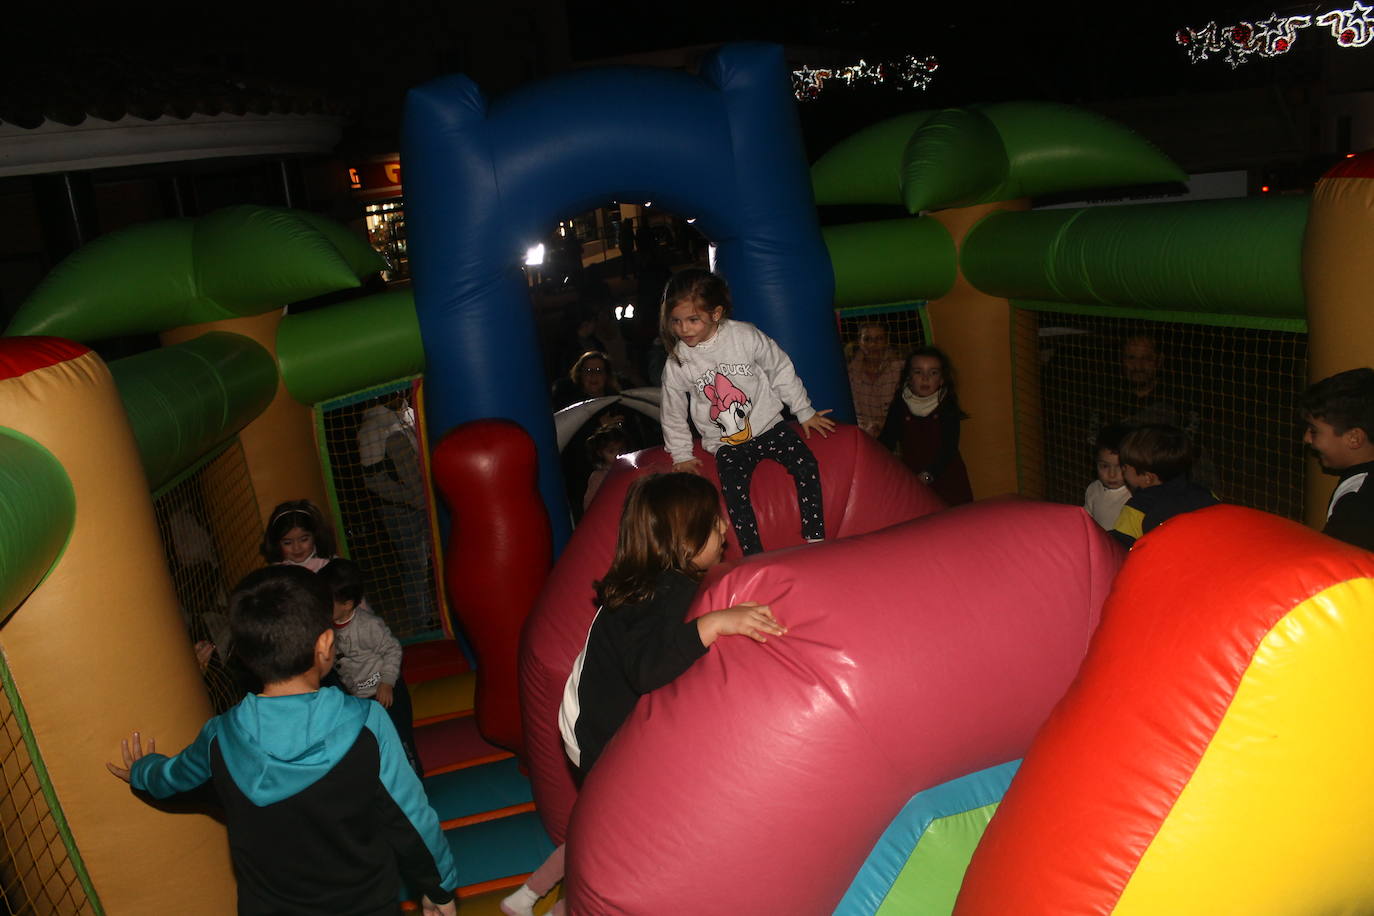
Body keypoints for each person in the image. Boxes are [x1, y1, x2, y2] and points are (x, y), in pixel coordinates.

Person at [501, 473, 785, 916]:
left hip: (594, 727)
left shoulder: (649, 584)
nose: (725, 529)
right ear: (682, 537)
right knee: (622, 843)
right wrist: (714, 625)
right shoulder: (664, 590)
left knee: (607, 836)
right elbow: (648, 668)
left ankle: (551, 899)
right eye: (713, 522)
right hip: (598, 737)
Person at [106, 566, 458, 916]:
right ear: (325, 644)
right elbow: (412, 819)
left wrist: (142, 771)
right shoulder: (367, 725)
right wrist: (439, 888)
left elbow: (172, 779)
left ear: (244, 655)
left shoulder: (220, 737)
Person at [659, 268, 835, 555]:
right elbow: (672, 408)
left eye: (693, 320)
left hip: (768, 426)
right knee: (734, 494)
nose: (684, 329)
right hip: (727, 443)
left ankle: (815, 536)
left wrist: (803, 410)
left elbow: (779, 369)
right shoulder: (679, 361)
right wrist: (681, 454)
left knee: (806, 464)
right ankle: (754, 553)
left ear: (715, 314)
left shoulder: (744, 336)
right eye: (676, 321)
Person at [318, 558, 421, 775]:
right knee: (375, 744)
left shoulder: (367, 626)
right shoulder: (328, 626)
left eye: (326, 601)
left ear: (347, 604)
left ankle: (414, 777)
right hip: (360, 697)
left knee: (400, 740)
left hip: (386, 694)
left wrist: (387, 682)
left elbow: (393, 649)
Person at [356, 392, 437, 628]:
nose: (400, 394)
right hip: (400, 511)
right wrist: (410, 498)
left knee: (430, 563)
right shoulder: (372, 428)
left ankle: (431, 615)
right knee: (415, 567)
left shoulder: (406, 414)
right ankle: (419, 622)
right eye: (394, 392)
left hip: (423, 503)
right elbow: (373, 480)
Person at [879, 346, 973, 506]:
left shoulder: (946, 406)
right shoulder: (900, 405)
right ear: (908, 376)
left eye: (933, 373)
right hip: (913, 477)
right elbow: (887, 440)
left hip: (946, 478)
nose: (925, 378)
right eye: (918, 372)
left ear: (942, 379)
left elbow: (948, 449)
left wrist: (927, 475)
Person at [1110, 423, 1219, 549]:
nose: (1122, 471)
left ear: (1148, 478)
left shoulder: (1138, 507)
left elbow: (1118, 550)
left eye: (1124, 468)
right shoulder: (1206, 494)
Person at [1300, 368, 1374, 551]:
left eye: (1314, 431)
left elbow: (1333, 567)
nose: (1307, 438)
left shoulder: (1357, 506)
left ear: (1354, 438)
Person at [847, 322, 904, 437]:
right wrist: (866, 429)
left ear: (886, 341)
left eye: (879, 339)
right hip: (862, 435)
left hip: (896, 434)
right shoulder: (849, 373)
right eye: (867, 339)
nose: (873, 344)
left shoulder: (900, 369)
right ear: (859, 341)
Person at [260, 500, 337, 572]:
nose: (296, 548)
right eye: (287, 543)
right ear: (276, 543)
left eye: (304, 539)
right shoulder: (276, 572)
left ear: (316, 535)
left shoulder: (331, 565)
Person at [1084, 425, 1131, 530]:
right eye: (1104, 466)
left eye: (1119, 467)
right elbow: (1086, 522)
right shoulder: (1093, 489)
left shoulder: (1134, 496)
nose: (1112, 474)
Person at [583, 424, 630, 511]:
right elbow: (589, 506)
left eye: (621, 450)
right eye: (611, 451)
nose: (618, 455)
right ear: (600, 453)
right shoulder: (598, 477)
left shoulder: (629, 469)